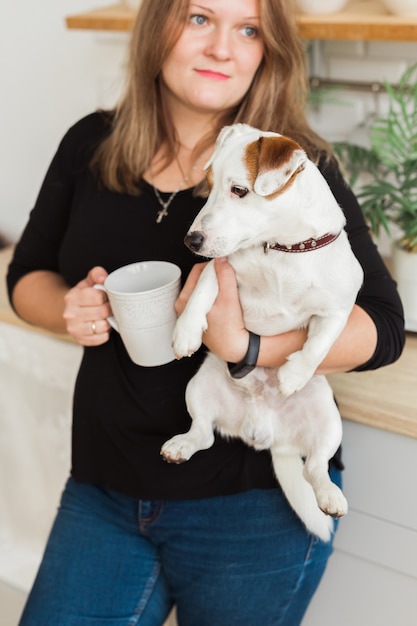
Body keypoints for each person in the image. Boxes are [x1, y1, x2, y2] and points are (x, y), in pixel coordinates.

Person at [7, 1, 405, 624]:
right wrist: (66, 307)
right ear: (157, 26)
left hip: (252, 506)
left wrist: (250, 349)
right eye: (199, 18)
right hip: (103, 487)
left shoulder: (297, 168)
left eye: (248, 29)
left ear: (266, 52)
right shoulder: (92, 143)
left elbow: (381, 326)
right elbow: (25, 275)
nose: (223, 47)